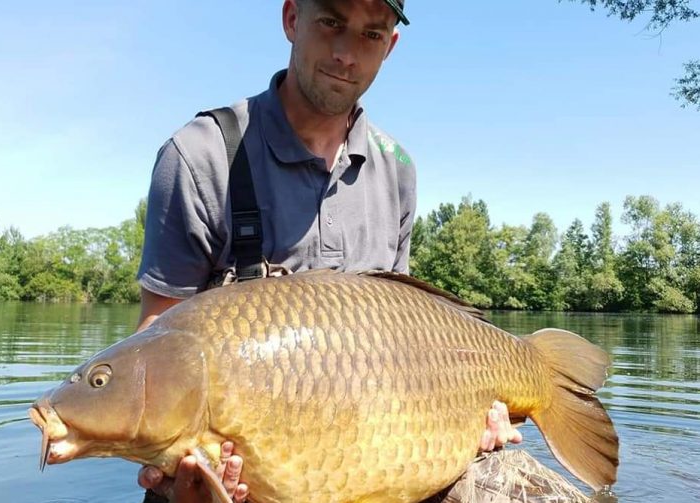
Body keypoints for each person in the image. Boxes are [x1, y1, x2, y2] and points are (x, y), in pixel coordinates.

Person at [134, 1, 522, 502]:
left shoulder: (397, 168)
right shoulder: (200, 155)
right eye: (332, 22)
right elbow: (157, 333)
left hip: (361, 464)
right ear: (292, 18)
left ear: (391, 46)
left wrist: (462, 417)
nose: (346, 54)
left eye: (371, 35)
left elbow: (406, 332)